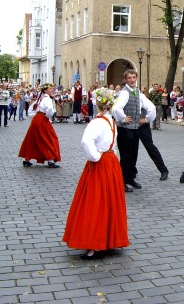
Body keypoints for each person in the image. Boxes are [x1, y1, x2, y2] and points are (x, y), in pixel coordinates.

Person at [63, 88, 129, 259]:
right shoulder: (111, 121)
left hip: (100, 162)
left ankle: (95, 243)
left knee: (96, 200)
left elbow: (86, 141)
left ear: (97, 104)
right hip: (111, 161)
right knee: (110, 200)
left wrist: (95, 157)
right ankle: (109, 238)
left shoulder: (97, 122)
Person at [112, 70, 148, 192]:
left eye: (133, 77)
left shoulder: (137, 91)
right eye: (129, 78)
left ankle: (130, 178)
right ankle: (122, 181)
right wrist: (123, 118)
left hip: (134, 128)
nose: (132, 80)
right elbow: (116, 108)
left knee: (133, 155)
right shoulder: (124, 93)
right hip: (125, 129)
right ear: (126, 80)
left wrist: (146, 118)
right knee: (126, 156)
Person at [18, 83, 61, 168]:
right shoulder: (47, 99)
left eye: (52, 88)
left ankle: (27, 160)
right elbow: (50, 110)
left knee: (33, 139)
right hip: (42, 119)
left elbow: (32, 109)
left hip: (37, 119)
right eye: (50, 89)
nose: (52, 90)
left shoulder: (41, 98)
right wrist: (48, 117)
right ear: (45, 90)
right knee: (49, 138)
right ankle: (50, 160)